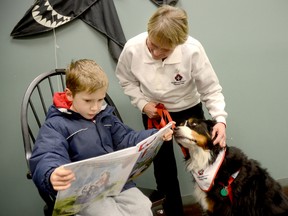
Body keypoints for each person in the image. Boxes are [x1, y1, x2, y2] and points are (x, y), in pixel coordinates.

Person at [115, 5, 228, 216]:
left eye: (164, 50)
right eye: (152, 45)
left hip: (188, 110)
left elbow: (211, 89)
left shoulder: (192, 49)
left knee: (205, 162)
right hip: (154, 112)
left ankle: (215, 209)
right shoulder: (132, 48)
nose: (156, 52)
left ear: (178, 44)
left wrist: (220, 119)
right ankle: (173, 212)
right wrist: (142, 103)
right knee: (163, 168)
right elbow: (126, 80)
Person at [29, 59, 174, 216]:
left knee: (142, 206)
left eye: (100, 99)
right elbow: (47, 155)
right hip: (84, 195)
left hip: (116, 184)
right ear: (69, 95)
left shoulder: (105, 117)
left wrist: (155, 135)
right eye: (88, 100)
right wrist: (51, 174)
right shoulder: (56, 124)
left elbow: (126, 139)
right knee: (109, 213)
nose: (95, 107)